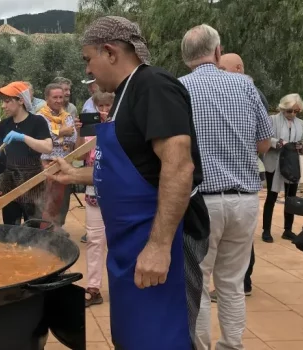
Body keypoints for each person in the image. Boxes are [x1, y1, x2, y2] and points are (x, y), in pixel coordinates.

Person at [49, 16, 209, 349]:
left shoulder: (153, 85)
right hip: (130, 244)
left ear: (109, 52)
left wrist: (159, 247)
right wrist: (75, 174)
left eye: (88, 59)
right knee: (136, 338)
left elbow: (179, 166)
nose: (88, 70)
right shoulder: (124, 95)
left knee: (165, 338)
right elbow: (132, 171)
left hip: (162, 240)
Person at [179, 24, 273, 350]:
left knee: (198, 284)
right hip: (245, 199)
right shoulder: (245, 86)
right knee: (232, 283)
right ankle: (232, 346)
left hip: (200, 202)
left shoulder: (178, 90)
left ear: (184, 57)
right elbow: (264, 143)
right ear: (218, 52)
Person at [208, 53, 270, 302]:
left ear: (238, 68)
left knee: (238, 240)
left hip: (241, 178)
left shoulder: (252, 93)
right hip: (234, 181)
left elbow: (263, 141)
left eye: (222, 69)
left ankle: (243, 281)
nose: (218, 73)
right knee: (237, 238)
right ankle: (241, 281)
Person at [0, 82, 52, 225]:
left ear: (21, 101)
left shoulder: (37, 121)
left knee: (33, 227)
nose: (3, 106)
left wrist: (23, 137)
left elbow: (48, 147)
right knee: (11, 227)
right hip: (9, 182)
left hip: (33, 181)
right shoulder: (3, 125)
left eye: (7, 101)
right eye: (2, 102)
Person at [80, 90, 114, 307]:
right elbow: (78, 157)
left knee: (119, 240)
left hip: (118, 192)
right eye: (99, 107)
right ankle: (93, 286)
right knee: (94, 240)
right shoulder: (90, 131)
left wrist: (108, 128)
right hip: (93, 191)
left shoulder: (122, 127)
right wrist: (78, 134)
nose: (102, 111)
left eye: (107, 107)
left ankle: (124, 285)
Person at [262, 93, 303, 242]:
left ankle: (288, 230)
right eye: (289, 111)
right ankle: (266, 230)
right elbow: (265, 139)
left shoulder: (300, 123)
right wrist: (278, 143)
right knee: (271, 196)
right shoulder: (272, 120)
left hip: (291, 163)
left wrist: (301, 146)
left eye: (296, 111)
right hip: (275, 161)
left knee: (291, 197)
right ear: (283, 108)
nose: (292, 114)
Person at [37, 83, 77, 230]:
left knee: (63, 200)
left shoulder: (67, 116)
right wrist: (61, 133)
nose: (59, 100)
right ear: (47, 98)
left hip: (64, 163)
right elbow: (41, 140)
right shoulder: (39, 117)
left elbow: (72, 139)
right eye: (55, 97)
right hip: (46, 164)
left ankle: (57, 230)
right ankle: (44, 232)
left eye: (61, 97)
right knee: (47, 201)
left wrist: (55, 135)